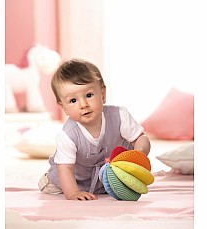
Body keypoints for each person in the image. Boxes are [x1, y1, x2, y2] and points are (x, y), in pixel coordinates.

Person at [38, 58, 151, 201]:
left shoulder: (120, 116)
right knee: (51, 186)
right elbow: (65, 169)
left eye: (89, 95)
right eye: (73, 101)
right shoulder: (68, 135)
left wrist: (139, 153)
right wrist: (73, 193)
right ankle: (50, 180)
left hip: (105, 178)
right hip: (73, 179)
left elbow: (141, 138)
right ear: (63, 108)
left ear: (102, 94)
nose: (83, 104)